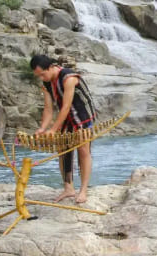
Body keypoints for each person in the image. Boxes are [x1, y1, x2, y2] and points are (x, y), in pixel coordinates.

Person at [30, 54, 97, 204]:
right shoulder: (46, 83)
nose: (41, 78)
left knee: (83, 150)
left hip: (82, 114)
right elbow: (48, 109)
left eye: (42, 74)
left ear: (51, 67)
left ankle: (84, 190)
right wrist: (43, 128)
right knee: (63, 148)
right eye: (38, 76)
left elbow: (66, 106)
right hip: (66, 116)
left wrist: (53, 129)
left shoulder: (68, 78)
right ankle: (68, 188)